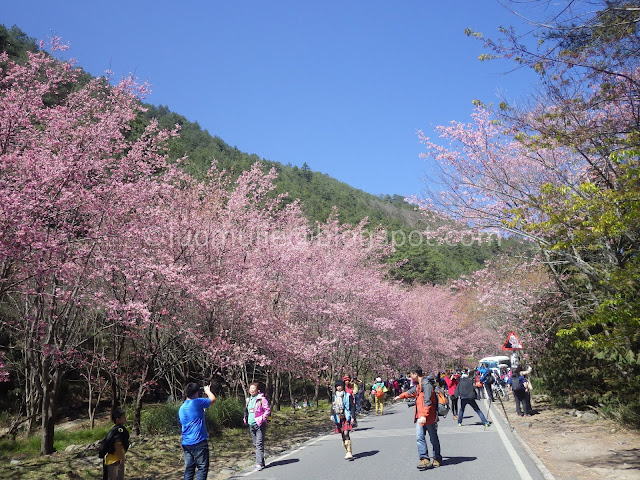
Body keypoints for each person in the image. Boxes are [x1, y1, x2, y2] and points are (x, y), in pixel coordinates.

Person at [393, 367, 442, 470]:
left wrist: (424, 415)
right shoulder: (419, 386)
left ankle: (437, 458)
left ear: (415, 374)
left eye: (411, 374)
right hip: (420, 416)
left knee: (433, 438)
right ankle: (424, 458)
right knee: (420, 437)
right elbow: (410, 392)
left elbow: (428, 401)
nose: (410, 377)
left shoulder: (427, 385)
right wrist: (400, 397)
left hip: (428, 416)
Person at [179, 382, 216, 480]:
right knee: (202, 468)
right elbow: (213, 399)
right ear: (196, 392)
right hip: (198, 441)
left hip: (186, 443)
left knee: (189, 469)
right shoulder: (197, 402)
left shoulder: (182, 408)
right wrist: (208, 391)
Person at [244, 382, 271, 471]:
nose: (252, 390)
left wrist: (262, 418)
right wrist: (245, 419)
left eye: (253, 388)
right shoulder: (249, 400)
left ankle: (258, 463)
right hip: (251, 424)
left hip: (259, 424)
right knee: (256, 444)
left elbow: (267, 410)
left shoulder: (261, 399)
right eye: (250, 388)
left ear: (257, 390)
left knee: (259, 444)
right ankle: (262, 462)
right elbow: (247, 411)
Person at [103, 408, 129, 480]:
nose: (125, 418)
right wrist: (122, 460)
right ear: (117, 419)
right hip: (115, 461)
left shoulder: (114, 429)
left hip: (111, 460)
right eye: (123, 417)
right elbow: (117, 445)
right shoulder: (119, 431)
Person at [331, 380, 354, 460]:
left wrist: (352, 417)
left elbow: (352, 406)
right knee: (342, 435)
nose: (339, 387)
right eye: (337, 386)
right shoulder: (335, 396)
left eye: (340, 386)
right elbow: (332, 406)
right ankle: (346, 451)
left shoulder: (347, 395)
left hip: (346, 416)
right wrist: (331, 415)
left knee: (346, 433)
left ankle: (349, 452)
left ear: (343, 386)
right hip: (338, 417)